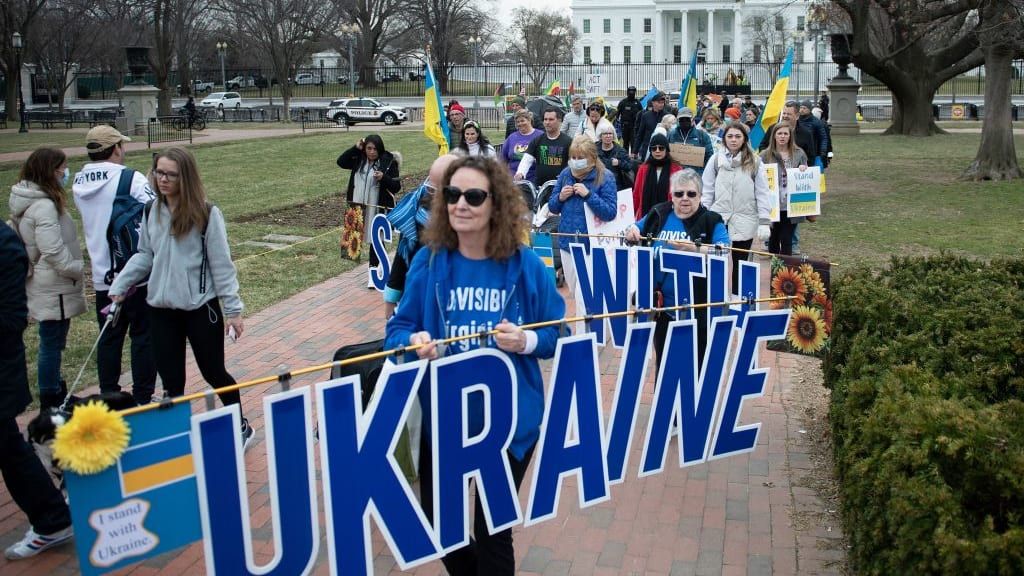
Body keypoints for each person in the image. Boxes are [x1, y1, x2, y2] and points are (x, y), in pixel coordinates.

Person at [385, 156, 564, 575]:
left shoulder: (525, 266)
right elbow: (397, 331)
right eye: (451, 195)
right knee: (440, 527)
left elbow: (557, 333)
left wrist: (526, 339)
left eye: (473, 195)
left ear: (496, 203)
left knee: (492, 532)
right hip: (446, 420)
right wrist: (412, 342)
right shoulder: (429, 263)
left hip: (507, 424)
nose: (460, 204)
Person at [108, 147, 254, 448]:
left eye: (170, 175)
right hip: (161, 309)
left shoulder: (207, 214)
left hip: (201, 309)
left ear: (185, 177)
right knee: (171, 382)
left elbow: (222, 265)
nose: (162, 180)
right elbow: (145, 255)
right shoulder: (150, 211)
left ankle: (239, 424)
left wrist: (233, 310)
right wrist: (121, 284)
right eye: (158, 172)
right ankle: (177, 440)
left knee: (214, 372)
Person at [0, 222, 74, 560]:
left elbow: (12, 317)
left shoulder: (5, 244)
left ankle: (52, 518)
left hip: (2, 365)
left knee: (8, 445)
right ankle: (52, 516)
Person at [72, 125, 157, 405]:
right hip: (134, 273)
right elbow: (155, 210)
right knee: (143, 336)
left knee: (109, 337)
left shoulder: (79, 183)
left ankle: (108, 394)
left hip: (102, 274)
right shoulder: (129, 178)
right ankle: (143, 396)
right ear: (116, 148)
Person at [624, 169, 729, 371]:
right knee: (663, 364)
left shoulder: (711, 220)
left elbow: (724, 251)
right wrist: (633, 230)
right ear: (671, 196)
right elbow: (634, 229)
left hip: (697, 309)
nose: (685, 199)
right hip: (662, 309)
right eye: (679, 194)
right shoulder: (659, 213)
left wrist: (694, 248)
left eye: (691, 194)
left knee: (697, 365)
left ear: (700, 195)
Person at [8, 148, 87, 410]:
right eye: (62, 168)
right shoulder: (43, 206)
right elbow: (52, 249)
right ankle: (51, 397)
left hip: (47, 281)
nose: (66, 173)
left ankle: (56, 388)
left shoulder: (32, 199)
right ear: (50, 171)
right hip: (52, 283)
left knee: (54, 341)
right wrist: (75, 268)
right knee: (51, 343)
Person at [383, 154, 459, 318]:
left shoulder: (467, 218)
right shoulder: (417, 209)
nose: (430, 193)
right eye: (430, 187)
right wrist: (391, 299)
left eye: (436, 189)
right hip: (418, 293)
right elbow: (403, 255)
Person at [701, 122, 771, 293]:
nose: (733, 140)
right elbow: (707, 188)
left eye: (738, 136)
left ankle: (737, 298)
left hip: (745, 218)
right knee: (717, 259)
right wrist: (703, 216)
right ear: (724, 138)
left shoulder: (755, 162)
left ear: (744, 139)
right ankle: (716, 295)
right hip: (719, 217)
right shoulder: (716, 159)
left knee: (740, 261)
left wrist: (764, 221)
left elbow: (762, 193)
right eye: (730, 136)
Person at [548, 136, 619, 299]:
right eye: (573, 157)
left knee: (586, 295)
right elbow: (552, 207)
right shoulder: (566, 173)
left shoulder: (605, 176)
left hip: (590, 245)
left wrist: (589, 195)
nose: (575, 161)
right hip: (567, 243)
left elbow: (610, 212)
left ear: (592, 159)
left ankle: (586, 324)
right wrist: (560, 197)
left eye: (580, 158)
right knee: (573, 290)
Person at [337, 134, 402, 280]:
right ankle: (369, 269)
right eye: (369, 148)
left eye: (375, 149)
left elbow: (396, 187)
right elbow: (341, 162)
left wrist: (383, 178)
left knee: (376, 239)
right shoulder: (358, 159)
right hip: (358, 206)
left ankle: (374, 272)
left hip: (377, 206)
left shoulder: (389, 162)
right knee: (354, 238)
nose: (372, 152)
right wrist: (355, 148)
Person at [759, 123, 808, 256]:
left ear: (790, 136)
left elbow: (806, 173)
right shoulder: (765, 155)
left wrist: (803, 169)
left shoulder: (799, 153)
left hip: (791, 204)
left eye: (786, 133)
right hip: (772, 204)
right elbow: (757, 175)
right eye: (779, 133)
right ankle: (774, 270)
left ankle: (785, 269)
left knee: (787, 239)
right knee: (773, 238)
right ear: (774, 136)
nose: (782, 136)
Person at [515, 108, 572, 187]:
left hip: (561, 187)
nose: (547, 122)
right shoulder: (537, 141)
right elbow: (527, 160)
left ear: (559, 121)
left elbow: (573, 164)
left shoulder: (568, 141)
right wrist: (520, 173)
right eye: (545, 119)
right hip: (540, 187)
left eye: (551, 119)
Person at [632, 133, 682, 219]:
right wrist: (632, 215)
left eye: (661, 148)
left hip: (670, 217)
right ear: (650, 151)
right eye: (654, 148)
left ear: (666, 149)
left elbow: (680, 195)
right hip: (645, 217)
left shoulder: (677, 169)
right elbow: (636, 194)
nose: (657, 151)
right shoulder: (643, 169)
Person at [667, 107, 714, 175]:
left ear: (692, 119)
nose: (684, 121)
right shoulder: (671, 135)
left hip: (695, 176)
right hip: (675, 175)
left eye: (687, 119)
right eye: (681, 119)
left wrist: (701, 173)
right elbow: (666, 153)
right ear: (678, 120)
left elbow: (709, 157)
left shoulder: (702, 135)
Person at [501, 109, 539, 181]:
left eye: (522, 121)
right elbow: (503, 159)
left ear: (529, 120)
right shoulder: (512, 137)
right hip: (513, 180)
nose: (520, 124)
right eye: (518, 122)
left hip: (533, 179)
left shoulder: (540, 135)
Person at [596, 124, 634, 190]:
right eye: (605, 134)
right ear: (600, 136)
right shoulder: (594, 149)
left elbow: (629, 166)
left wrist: (619, 163)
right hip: (598, 185)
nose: (608, 136)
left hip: (616, 186)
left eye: (610, 133)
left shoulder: (620, 150)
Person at [632, 90, 667, 159]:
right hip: (647, 149)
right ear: (653, 103)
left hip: (662, 150)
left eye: (663, 103)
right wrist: (635, 151)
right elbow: (640, 134)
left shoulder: (667, 116)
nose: (661, 104)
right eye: (659, 102)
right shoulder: (646, 116)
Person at [798, 99, 829, 167]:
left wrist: (823, 152)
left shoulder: (816, 122)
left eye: (804, 108)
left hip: (811, 153)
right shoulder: (797, 120)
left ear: (809, 110)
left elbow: (823, 138)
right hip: (798, 152)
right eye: (801, 107)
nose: (802, 110)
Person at [616, 86, 643, 155]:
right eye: (630, 91)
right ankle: (625, 157)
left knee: (634, 143)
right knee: (625, 144)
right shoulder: (623, 102)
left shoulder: (638, 103)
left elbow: (642, 114)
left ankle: (633, 158)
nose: (632, 92)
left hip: (634, 127)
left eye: (633, 91)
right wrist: (618, 125)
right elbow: (617, 114)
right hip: (625, 127)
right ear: (627, 92)